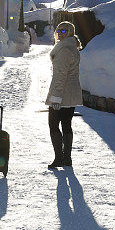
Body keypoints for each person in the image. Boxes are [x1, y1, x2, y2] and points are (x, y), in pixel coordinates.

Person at [45, 21, 82, 169]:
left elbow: (61, 75)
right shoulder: (71, 47)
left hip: (62, 93)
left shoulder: (65, 50)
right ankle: (66, 158)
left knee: (53, 125)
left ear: (70, 33)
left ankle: (60, 158)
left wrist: (56, 97)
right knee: (67, 125)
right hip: (70, 93)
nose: (60, 33)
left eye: (64, 31)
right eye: (58, 31)